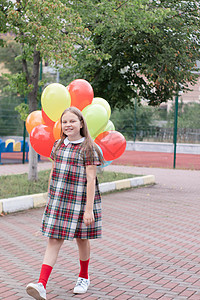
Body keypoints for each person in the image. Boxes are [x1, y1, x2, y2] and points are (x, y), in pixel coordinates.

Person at [26, 106, 104, 300]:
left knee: (81, 239)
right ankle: (41, 284)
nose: (68, 125)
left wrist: (88, 210)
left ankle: (83, 277)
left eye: (72, 121)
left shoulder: (89, 148)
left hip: (81, 201)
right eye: (65, 122)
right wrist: (49, 196)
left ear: (81, 123)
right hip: (59, 201)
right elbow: (54, 171)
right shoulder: (58, 145)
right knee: (53, 239)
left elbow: (91, 179)